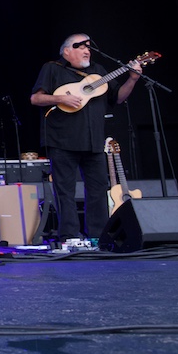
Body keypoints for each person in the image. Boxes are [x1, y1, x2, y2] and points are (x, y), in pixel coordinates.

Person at [30, 34, 141, 242]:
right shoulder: (52, 68)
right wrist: (60, 98)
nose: (86, 50)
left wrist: (133, 79)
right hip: (62, 140)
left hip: (94, 141)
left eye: (88, 46)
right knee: (65, 191)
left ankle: (99, 236)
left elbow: (118, 97)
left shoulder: (99, 71)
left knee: (99, 190)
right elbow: (36, 98)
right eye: (79, 46)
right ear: (66, 51)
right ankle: (70, 236)